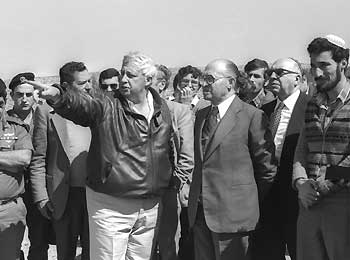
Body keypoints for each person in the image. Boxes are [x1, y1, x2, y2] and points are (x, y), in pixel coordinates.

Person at [24, 52, 176, 260]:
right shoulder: (107, 105)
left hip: (149, 206)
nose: (123, 80)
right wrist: (58, 96)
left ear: (148, 80)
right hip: (112, 205)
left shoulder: (161, 109)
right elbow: (81, 106)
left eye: (130, 75)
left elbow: (165, 150)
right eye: (122, 73)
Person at [187, 59, 277, 260]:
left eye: (209, 79)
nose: (203, 84)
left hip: (233, 216)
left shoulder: (252, 116)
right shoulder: (202, 115)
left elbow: (267, 169)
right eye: (203, 78)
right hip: (201, 213)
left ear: (230, 83)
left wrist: (244, 199)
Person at [293, 34, 350, 260]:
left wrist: (325, 185)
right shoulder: (313, 104)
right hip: (310, 204)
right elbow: (301, 150)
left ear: (344, 63)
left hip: (344, 204)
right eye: (314, 66)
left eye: (324, 65)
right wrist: (300, 184)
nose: (317, 73)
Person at [30, 62, 92, 260]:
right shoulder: (46, 112)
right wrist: (41, 198)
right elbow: (39, 158)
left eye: (90, 81)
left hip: (95, 195)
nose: (89, 86)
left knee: (95, 253)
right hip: (63, 196)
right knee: (65, 253)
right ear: (66, 86)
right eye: (83, 83)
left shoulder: (97, 109)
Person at [252, 58, 310, 260]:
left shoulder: (310, 109)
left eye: (280, 72)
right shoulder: (263, 112)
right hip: (267, 200)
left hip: (298, 199)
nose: (273, 76)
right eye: (271, 72)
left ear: (297, 78)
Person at [7, 72, 54, 260]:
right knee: (11, 240)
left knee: (39, 240)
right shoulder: (5, 122)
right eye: (19, 94)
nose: (24, 99)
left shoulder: (45, 118)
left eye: (28, 94)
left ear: (35, 94)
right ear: (12, 96)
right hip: (13, 190)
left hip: (38, 188)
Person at [152, 64, 194, 260]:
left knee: (168, 244)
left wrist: (175, 183)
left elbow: (187, 155)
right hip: (138, 190)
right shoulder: (130, 110)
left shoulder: (178, 111)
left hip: (168, 188)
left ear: (161, 84)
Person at [0, 78, 33, 260]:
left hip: (9, 211)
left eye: (0, 103)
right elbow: (14, 159)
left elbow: (24, 158)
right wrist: (7, 159)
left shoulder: (16, 128)